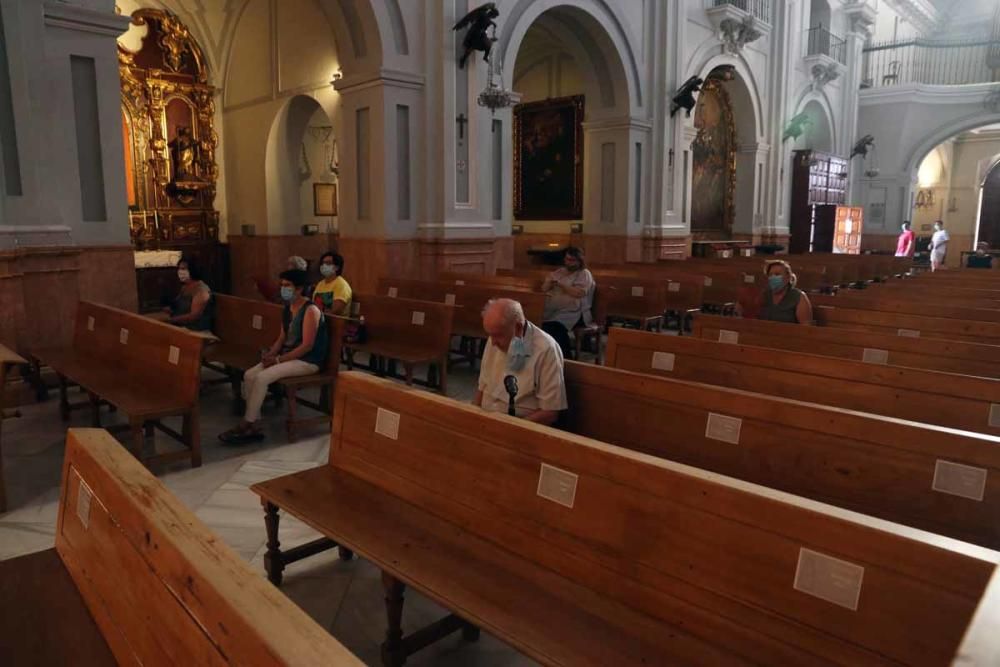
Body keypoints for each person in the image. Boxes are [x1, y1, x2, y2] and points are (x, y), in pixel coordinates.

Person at [220, 269, 328, 444]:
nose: (283, 289)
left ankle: (247, 423)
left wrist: (277, 360)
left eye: (287, 285)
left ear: (299, 288)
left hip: (308, 361)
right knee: (249, 375)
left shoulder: (310, 310)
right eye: (282, 285)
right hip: (288, 357)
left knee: (262, 378)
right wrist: (270, 354)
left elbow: (307, 345)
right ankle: (255, 423)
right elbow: (282, 338)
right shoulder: (288, 308)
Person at [474, 298, 566, 426]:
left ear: (518, 327)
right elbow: (482, 388)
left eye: (498, 335)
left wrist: (510, 427)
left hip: (520, 426)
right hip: (487, 420)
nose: (493, 342)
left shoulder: (546, 349)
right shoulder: (494, 337)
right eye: (490, 335)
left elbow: (550, 412)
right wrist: (472, 416)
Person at [540, 246, 595, 358]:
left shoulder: (584, 274)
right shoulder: (560, 271)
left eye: (571, 260)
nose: (568, 262)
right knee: (543, 325)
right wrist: (549, 283)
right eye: (566, 259)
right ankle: (549, 356)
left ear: (579, 261)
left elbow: (579, 293)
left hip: (575, 312)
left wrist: (561, 284)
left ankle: (565, 357)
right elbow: (544, 289)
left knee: (556, 327)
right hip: (555, 310)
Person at [165, 256, 213, 331]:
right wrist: (170, 310)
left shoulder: (201, 290)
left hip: (196, 330)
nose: (180, 272)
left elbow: (193, 317)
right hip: (181, 326)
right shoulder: (185, 287)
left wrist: (170, 320)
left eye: (183, 269)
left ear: (192, 270)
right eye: (179, 269)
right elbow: (180, 306)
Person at [758, 260, 813, 325]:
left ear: (788, 277)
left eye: (777, 274)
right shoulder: (765, 295)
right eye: (770, 275)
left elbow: (806, 327)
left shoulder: (799, 297)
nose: (773, 277)